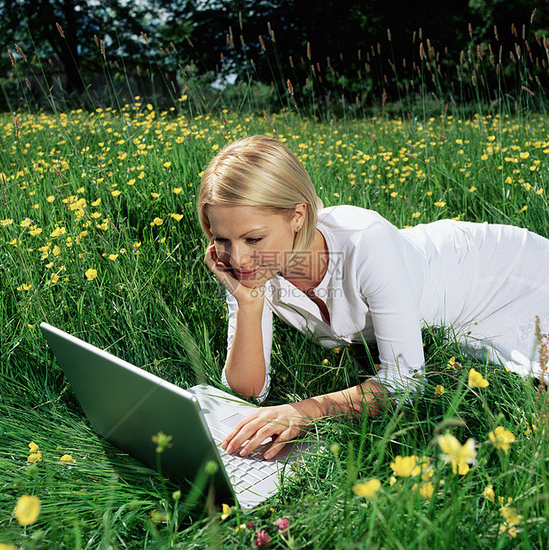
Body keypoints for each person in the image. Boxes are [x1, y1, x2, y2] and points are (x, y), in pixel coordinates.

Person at [198, 135, 549, 460]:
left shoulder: (366, 242)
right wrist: (249, 301)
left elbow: (407, 383)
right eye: (223, 240)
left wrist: (304, 411)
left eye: (253, 239)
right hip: (456, 304)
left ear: (297, 216)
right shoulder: (248, 268)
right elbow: (249, 393)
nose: (238, 258)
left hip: (501, 272)